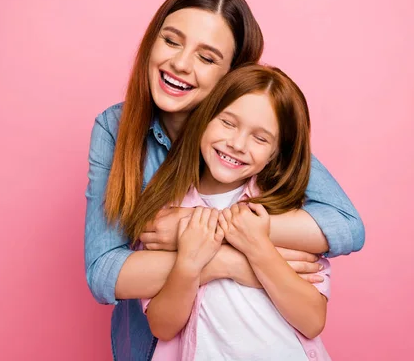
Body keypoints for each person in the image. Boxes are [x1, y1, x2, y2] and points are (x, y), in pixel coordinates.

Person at [85, 0, 364, 361]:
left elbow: (347, 227)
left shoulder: (255, 142)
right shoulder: (114, 128)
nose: (181, 64)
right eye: (171, 41)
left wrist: (194, 226)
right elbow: (104, 272)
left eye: (207, 57)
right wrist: (231, 259)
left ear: (232, 77)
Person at [134, 64, 332, 360]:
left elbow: (312, 320)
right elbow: (162, 327)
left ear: (277, 153)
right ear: (204, 118)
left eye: (261, 138)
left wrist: (259, 247)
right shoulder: (166, 217)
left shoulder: (287, 214)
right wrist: (188, 264)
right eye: (228, 123)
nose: (237, 144)